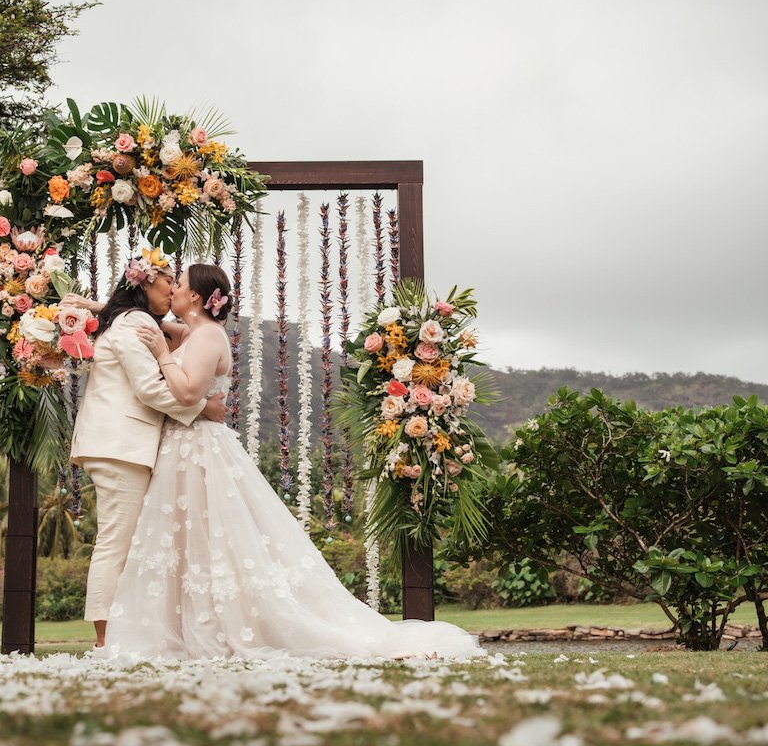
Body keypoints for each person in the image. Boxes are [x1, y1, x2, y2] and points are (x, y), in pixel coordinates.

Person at [97, 262, 485, 660]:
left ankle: (227, 626)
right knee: (187, 540)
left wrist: (163, 356)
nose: (173, 289)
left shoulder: (207, 336)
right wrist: (100, 309)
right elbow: (160, 328)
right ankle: (189, 625)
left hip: (196, 448)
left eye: (178, 283)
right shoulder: (193, 333)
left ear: (195, 295)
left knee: (212, 537)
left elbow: (188, 393)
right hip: (180, 448)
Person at [68, 248, 227, 649]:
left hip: (120, 444)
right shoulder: (134, 322)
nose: (173, 289)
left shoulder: (130, 320)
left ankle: (121, 632)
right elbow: (150, 388)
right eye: (168, 281)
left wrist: (95, 305)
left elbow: (176, 336)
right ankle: (104, 640)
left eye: (177, 283)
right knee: (117, 542)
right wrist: (204, 407)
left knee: (126, 541)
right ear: (145, 284)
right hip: (120, 446)